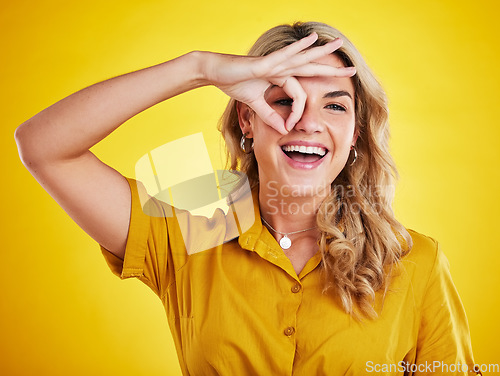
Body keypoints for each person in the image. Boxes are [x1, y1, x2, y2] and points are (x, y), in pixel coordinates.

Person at [15, 21, 479, 375]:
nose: (306, 121)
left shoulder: (415, 261)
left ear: (354, 133)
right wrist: (200, 69)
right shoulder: (192, 232)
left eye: (334, 105)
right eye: (283, 99)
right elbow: (42, 148)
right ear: (246, 120)